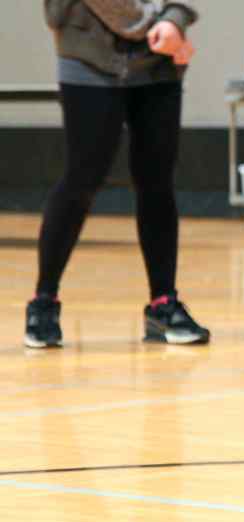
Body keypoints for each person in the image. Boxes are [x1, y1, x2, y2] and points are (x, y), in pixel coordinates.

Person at [28, 0, 206, 348]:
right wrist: (158, 23)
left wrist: (175, 20)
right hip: (89, 56)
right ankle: (43, 302)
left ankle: (163, 303)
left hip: (159, 58)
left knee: (157, 181)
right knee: (83, 177)